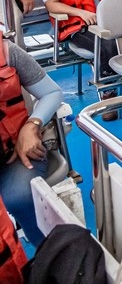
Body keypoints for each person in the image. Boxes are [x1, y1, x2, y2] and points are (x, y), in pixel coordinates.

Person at [38, 0, 120, 120]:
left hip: (106, 20)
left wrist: (110, 7)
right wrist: (81, 13)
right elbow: (52, 5)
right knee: (106, 45)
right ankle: (109, 95)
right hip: (78, 27)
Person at [0, 38, 63, 246]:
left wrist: (32, 124)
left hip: (15, 151)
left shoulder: (8, 52)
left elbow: (52, 93)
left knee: (19, 197)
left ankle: (50, 253)